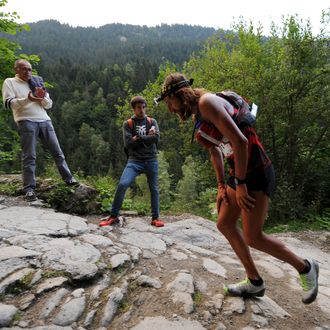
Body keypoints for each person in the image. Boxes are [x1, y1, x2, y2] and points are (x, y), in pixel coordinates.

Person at [156, 72, 319, 304]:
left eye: (168, 103)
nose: (169, 109)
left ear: (178, 95)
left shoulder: (207, 103)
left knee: (254, 236)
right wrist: (222, 185)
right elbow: (215, 151)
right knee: (224, 223)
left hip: (255, 171)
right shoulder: (198, 113)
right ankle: (254, 282)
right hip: (239, 172)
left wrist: (241, 184)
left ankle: (306, 267)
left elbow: (240, 142)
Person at [2, 59, 79, 202]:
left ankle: (69, 179)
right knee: (29, 156)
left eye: (30, 69)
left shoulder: (37, 82)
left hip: (45, 120)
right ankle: (29, 190)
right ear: (16, 70)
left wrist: (42, 98)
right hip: (26, 121)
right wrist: (29, 99)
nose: (28, 72)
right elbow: (8, 104)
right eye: (24, 69)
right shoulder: (10, 82)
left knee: (57, 152)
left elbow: (49, 104)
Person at [99, 96, 164, 228]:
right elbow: (128, 144)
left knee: (154, 189)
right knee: (123, 184)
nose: (142, 110)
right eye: (139, 107)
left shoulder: (152, 121)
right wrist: (147, 137)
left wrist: (138, 138)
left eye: (144, 107)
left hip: (151, 159)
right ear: (134, 109)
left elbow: (156, 139)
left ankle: (155, 218)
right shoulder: (128, 124)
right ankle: (113, 216)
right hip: (134, 161)